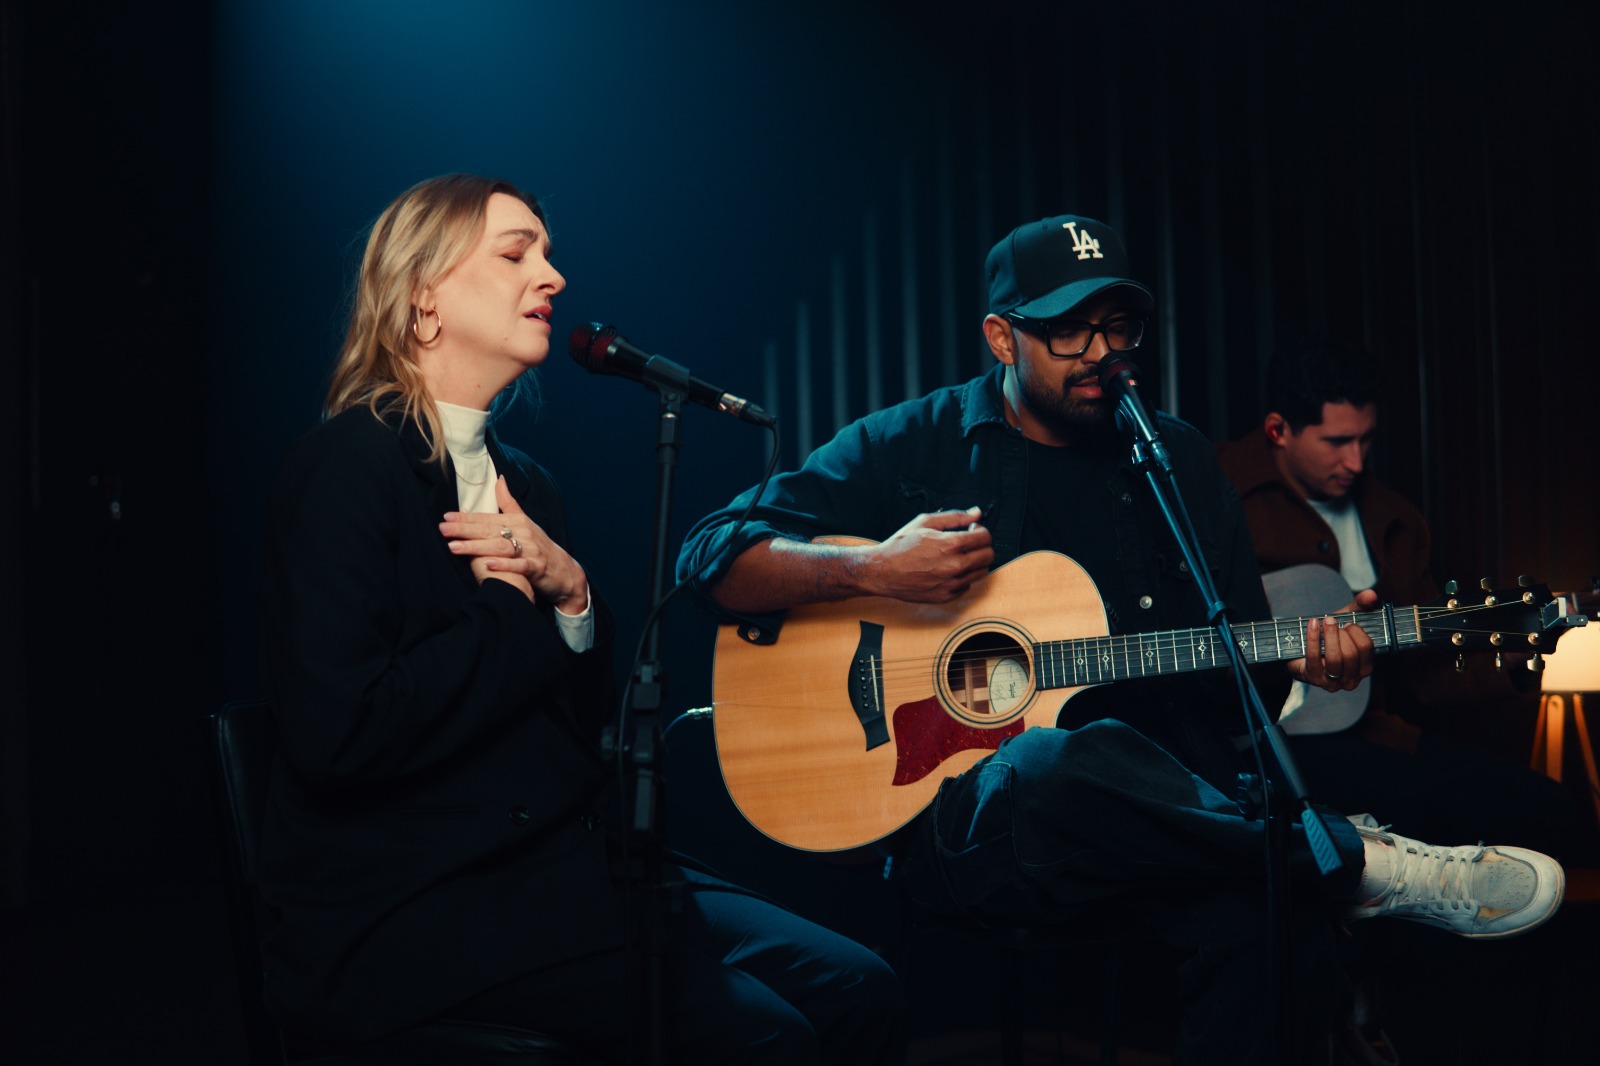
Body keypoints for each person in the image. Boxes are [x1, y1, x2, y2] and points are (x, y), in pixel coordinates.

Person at [675, 215, 1566, 1065]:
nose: (1101, 352)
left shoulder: (1177, 463)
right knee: (1047, 760)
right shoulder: (913, 443)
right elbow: (710, 559)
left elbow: (1235, 702)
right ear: (1001, 337)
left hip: (1172, 832)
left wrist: (1302, 667)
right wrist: (874, 569)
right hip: (981, 834)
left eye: (1119, 326)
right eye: (1069, 330)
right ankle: (1352, 860)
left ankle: (1313, 869)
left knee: (1279, 932)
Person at [258, 173, 903, 1065]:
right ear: (423, 298)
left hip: (563, 872)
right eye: (516, 253)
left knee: (861, 986)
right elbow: (339, 738)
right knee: (768, 1036)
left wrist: (574, 600)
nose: (553, 276)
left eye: (548, 254)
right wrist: (508, 604)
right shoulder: (344, 468)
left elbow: (579, 727)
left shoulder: (530, 486)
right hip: (414, 908)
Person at [1215, 341, 1577, 855]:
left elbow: (1423, 673)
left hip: (1372, 735)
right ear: (1278, 430)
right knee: (1410, 802)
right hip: (1252, 744)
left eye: (1366, 439)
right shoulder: (1210, 487)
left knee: (1555, 811)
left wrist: (1513, 656)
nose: (1355, 461)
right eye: (1337, 441)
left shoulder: (1393, 519)